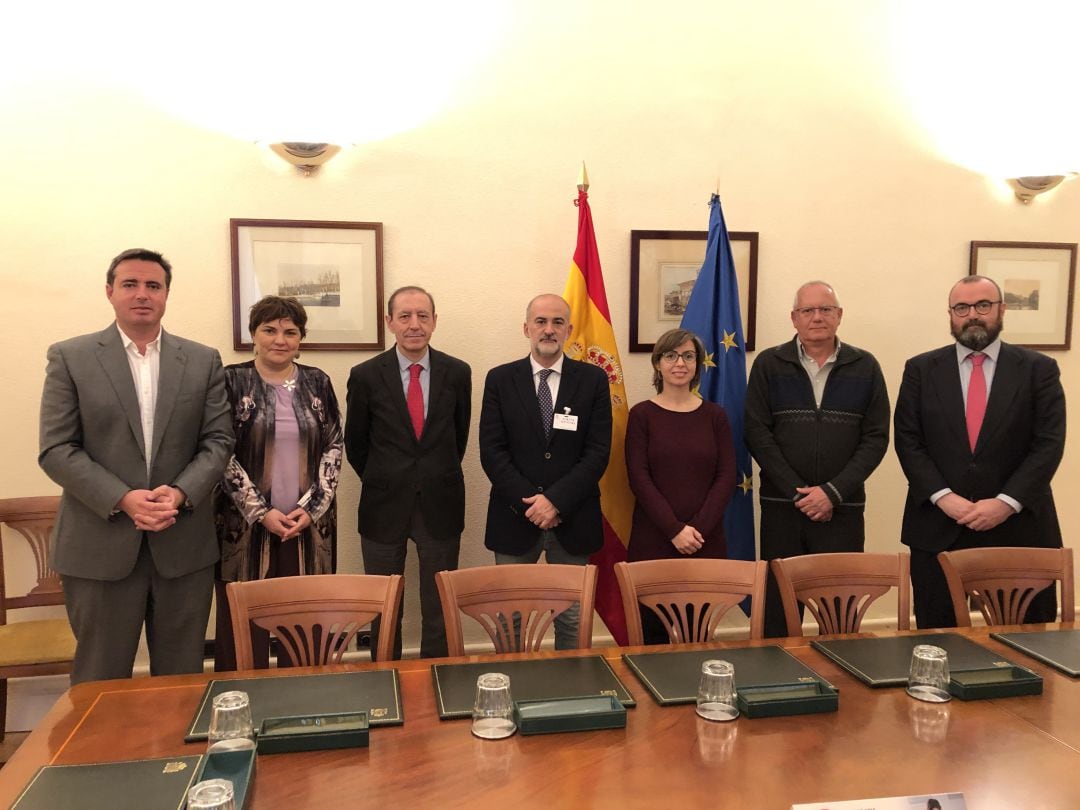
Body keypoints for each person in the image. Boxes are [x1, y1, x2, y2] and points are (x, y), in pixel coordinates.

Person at [38, 248, 233, 684]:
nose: (142, 294)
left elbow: (219, 441)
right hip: (99, 544)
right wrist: (123, 499)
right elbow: (56, 448)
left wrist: (181, 493)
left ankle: (178, 755)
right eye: (130, 284)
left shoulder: (202, 360)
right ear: (110, 292)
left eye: (153, 285)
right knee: (99, 680)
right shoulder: (71, 357)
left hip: (182, 542)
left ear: (166, 295)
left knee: (181, 681)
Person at [894, 275, 1066, 628]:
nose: (972, 315)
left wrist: (1005, 503)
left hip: (1019, 528)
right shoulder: (921, 369)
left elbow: (1048, 444)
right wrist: (944, 498)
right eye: (962, 308)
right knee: (939, 637)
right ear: (951, 314)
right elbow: (908, 441)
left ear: (1001, 309)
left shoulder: (1038, 370)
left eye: (983, 305)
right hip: (939, 525)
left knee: (1029, 642)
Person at [745, 280, 890, 637]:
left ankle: (845, 684)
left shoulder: (865, 366)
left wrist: (832, 493)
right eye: (807, 310)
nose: (817, 317)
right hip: (783, 509)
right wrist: (800, 493)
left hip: (843, 510)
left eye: (825, 309)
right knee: (778, 610)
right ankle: (776, 685)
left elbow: (876, 438)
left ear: (839, 316)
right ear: (794, 318)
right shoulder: (769, 363)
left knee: (838, 610)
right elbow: (757, 434)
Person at [212, 295, 343, 670]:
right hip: (244, 526)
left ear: (301, 338)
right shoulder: (231, 380)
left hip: (307, 527)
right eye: (269, 330)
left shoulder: (318, 382)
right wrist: (261, 512)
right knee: (242, 625)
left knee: (303, 622)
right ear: (254, 334)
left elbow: (334, 445)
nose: (280, 339)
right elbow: (221, 451)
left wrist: (311, 507)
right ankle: (240, 703)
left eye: (290, 331)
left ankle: (303, 706)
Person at [479, 293, 612, 650]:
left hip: (574, 515)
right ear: (526, 328)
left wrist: (555, 502)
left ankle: (570, 695)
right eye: (541, 322)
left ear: (568, 329)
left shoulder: (593, 380)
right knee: (511, 617)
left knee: (571, 617)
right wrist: (532, 505)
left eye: (557, 322)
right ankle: (511, 690)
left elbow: (598, 453)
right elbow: (492, 452)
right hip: (513, 516)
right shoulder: (499, 380)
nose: (548, 330)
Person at [345, 286, 471, 659]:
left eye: (422, 316)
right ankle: (386, 680)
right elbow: (356, 444)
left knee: (439, 608)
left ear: (434, 321)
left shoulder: (457, 372)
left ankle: (438, 679)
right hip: (383, 505)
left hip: (441, 503)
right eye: (405, 316)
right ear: (390, 322)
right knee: (385, 608)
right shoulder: (366, 375)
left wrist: (431, 474)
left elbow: (458, 437)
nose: (414, 324)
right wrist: (387, 477)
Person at [625, 328, 736, 644]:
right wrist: (675, 530)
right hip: (653, 541)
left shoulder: (715, 416)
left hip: (705, 542)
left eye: (689, 356)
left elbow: (726, 475)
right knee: (651, 640)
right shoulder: (641, 415)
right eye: (671, 355)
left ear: (698, 365)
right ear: (658, 363)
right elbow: (638, 477)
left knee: (697, 637)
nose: (680, 363)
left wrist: (696, 531)